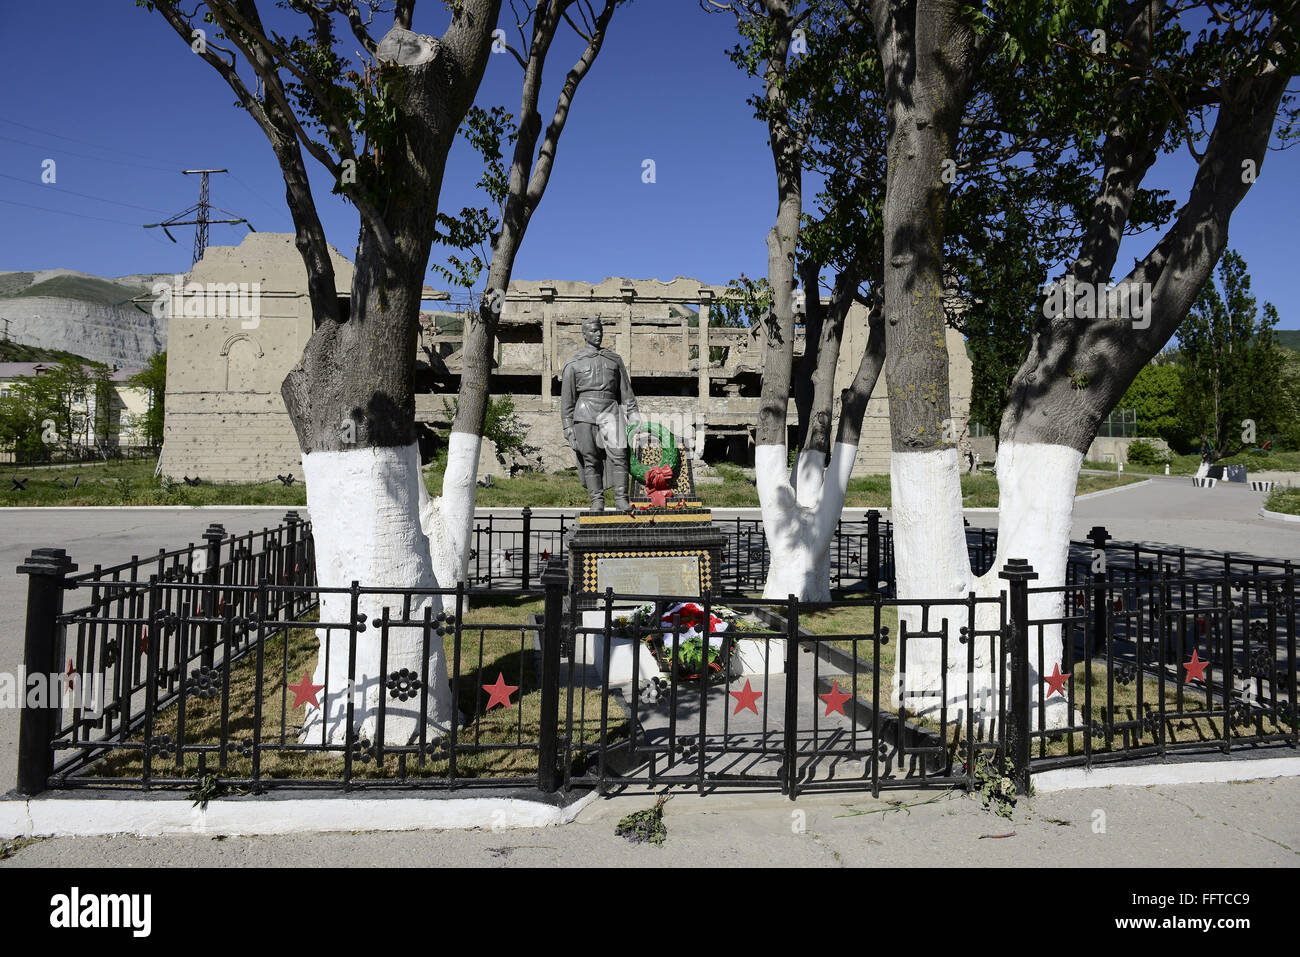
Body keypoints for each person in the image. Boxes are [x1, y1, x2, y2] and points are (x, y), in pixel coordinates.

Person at [560, 317, 640, 511]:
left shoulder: (614, 360)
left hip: (611, 411)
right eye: (594, 331)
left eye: (600, 331)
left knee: (620, 455)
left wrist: (633, 414)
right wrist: (568, 429)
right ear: (585, 334)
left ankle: (621, 499)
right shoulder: (573, 363)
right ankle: (597, 501)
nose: (598, 334)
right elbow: (567, 401)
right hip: (584, 414)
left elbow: (626, 391)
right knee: (590, 459)